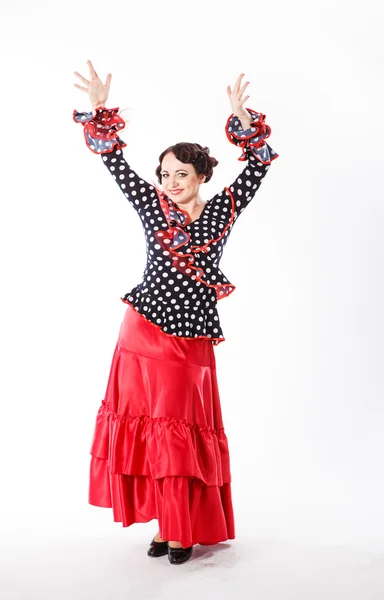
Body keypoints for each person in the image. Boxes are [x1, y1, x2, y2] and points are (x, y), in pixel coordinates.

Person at [73, 60, 279, 565]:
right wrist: (99, 110)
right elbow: (113, 161)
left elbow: (260, 164)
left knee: (180, 432)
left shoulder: (223, 209)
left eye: (180, 174)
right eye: (164, 175)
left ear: (202, 175)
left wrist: (245, 122)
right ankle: (168, 529)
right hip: (141, 330)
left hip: (190, 339)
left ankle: (182, 528)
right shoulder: (151, 203)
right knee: (151, 429)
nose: (169, 182)